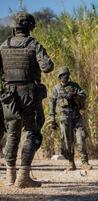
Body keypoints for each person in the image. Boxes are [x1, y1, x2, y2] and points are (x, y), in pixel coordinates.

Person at [0, 11, 54, 188]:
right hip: (28, 93)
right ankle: (23, 177)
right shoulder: (33, 44)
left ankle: (10, 176)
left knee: (12, 133)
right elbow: (47, 67)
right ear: (30, 26)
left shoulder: (3, 46)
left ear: (15, 27)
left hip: (8, 95)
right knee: (32, 131)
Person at [49, 66, 92, 171]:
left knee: (81, 137)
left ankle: (85, 162)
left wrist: (74, 95)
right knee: (67, 141)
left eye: (67, 75)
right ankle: (70, 163)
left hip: (76, 115)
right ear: (60, 77)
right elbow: (52, 104)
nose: (66, 77)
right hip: (64, 117)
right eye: (63, 75)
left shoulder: (74, 86)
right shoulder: (56, 89)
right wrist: (52, 120)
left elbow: (84, 95)